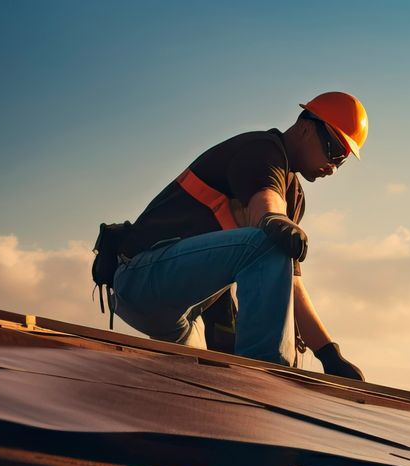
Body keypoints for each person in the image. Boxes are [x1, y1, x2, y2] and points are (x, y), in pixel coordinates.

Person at [104, 92, 368, 378]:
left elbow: (291, 283)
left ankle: (256, 375)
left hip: (178, 316)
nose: (333, 165)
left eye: (341, 160)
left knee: (199, 389)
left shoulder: (295, 197)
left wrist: (329, 354)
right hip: (140, 279)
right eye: (334, 150)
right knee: (269, 241)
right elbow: (266, 206)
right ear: (306, 127)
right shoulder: (262, 150)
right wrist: (275, 219)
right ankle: (263, 375)